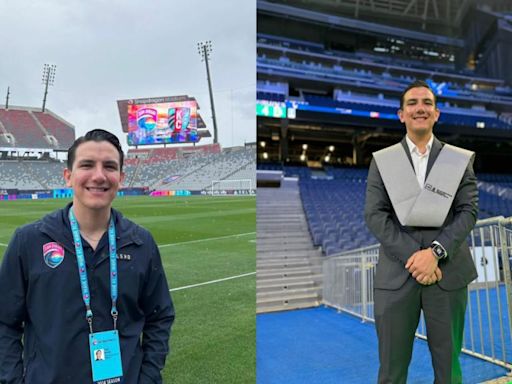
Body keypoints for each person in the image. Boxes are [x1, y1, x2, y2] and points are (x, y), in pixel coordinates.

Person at [0, 129, 175, 383]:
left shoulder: (141, 243)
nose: (99, 175)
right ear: (68, 176)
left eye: (109, 166)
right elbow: (5, 321)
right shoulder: (29, 241)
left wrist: (147, 377)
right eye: (87, 165)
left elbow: (160, 316)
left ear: (121, 177)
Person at [364, 80, 478, 384]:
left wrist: (436, 253)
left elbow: (468, 211)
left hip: (448, 273)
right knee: (391, 369)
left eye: (427, 103)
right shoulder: (383, 161)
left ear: (436, 114)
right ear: (401, 114)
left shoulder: (457, 160)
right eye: (412, 103)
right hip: (397, 275)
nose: (420, 108)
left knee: (448, 368)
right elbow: (374, 215)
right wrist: (416, 257)